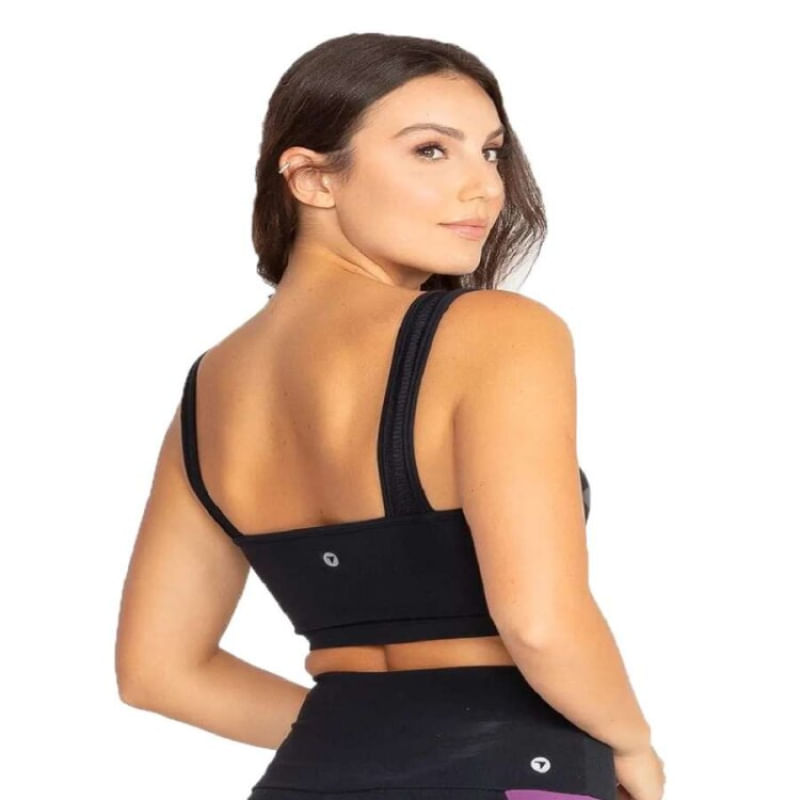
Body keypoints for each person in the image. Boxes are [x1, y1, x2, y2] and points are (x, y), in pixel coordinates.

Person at [115, 32, 665, 800]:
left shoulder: (209, 391)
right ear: (312, 179)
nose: (485, 187)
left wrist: (368, 737)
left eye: (491, 152)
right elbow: (540, 622)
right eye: (431, 151)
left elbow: (159, 671)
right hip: (517, 774)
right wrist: (632, 746)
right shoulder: (497, 332)